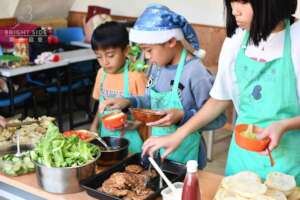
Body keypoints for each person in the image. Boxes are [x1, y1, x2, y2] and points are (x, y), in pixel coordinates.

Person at [142, 0, 300, 184]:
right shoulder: (236, 40)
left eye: (243, 2)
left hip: (289, 160)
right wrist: (178, 135)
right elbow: (219, 99)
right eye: (231, 2)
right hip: (242, 156)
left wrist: (284, 125)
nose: (234, 11)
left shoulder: (297, 40)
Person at [99, 4, 226, 165]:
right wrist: (129, 101)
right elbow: (150, 101)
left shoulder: (195, 73)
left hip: (186, 156)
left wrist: (182, 116)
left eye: (149, 50)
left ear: (171, 41)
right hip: (157, 150)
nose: (146, 56)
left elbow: (218, 119)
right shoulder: (156, 67)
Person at [90, 21, 148, 153]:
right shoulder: (101, 74)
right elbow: (101, 107)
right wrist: (94, 126)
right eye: (99, 57)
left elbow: (149, 112)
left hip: (133, 140)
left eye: (110, 55)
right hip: (105, 136)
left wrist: (134, 125)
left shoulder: (137, 77)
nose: (105, 62)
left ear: (126, 50)